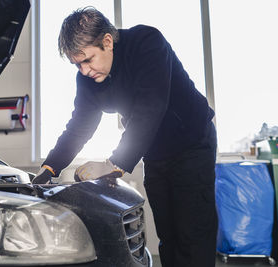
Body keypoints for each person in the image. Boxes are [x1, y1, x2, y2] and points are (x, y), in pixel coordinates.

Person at [33, 6, 217, 267]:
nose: (84, 70)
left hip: (192, 143)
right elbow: (79, 125)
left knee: (193, 235)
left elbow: (150, 108)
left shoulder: (147, 44)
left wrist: (113, 164)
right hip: (155, 152)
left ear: (107, 41)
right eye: (77, 64)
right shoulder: (86, 79)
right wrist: (50, 167)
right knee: (168, 235)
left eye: (87, 60)